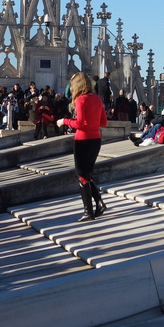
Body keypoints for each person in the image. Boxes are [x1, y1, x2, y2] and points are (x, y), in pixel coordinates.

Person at [57, 71, 108, 221]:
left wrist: (64, 121)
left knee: (81, 175)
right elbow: (103, 122)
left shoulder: (81, 100)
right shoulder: (97, 99)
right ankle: (98, 203)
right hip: (95, 140)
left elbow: (79, 124)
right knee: (86, 174)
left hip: (82, 141)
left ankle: (88, 211)